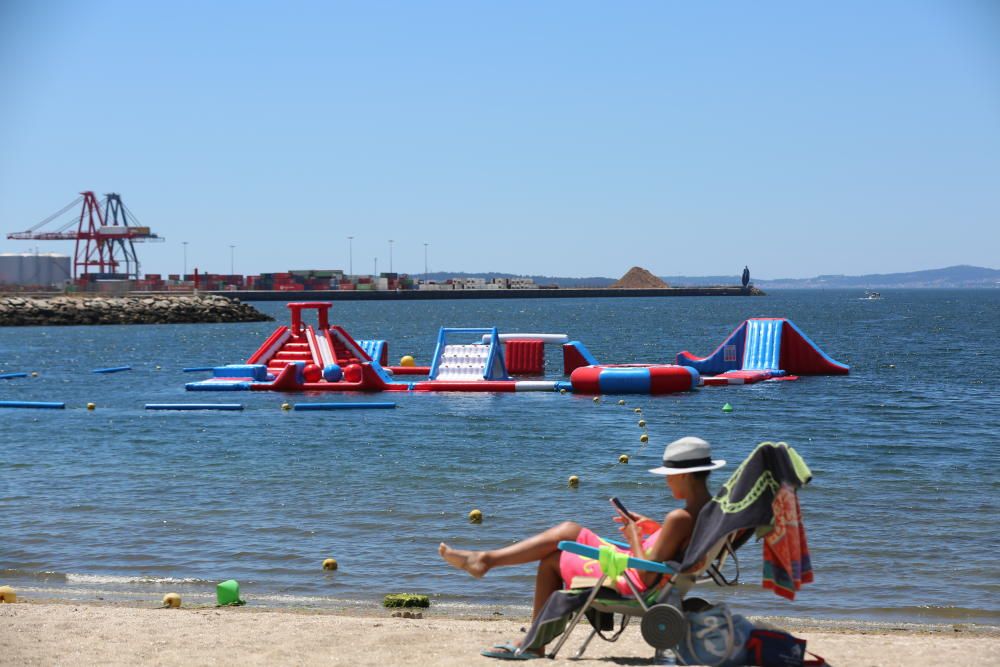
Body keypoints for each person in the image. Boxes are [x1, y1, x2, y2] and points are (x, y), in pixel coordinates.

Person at [438, 436, 726, 657]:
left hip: (634, 580)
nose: (666, 482)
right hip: (651, 573)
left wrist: (634, 536)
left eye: (669, 476)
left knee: (559, 548)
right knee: (568, 533)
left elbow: (648, 575)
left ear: (684, 475)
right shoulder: (709, 510)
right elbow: (672, 548)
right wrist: (651, 528)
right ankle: (487, 564)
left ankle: (489, 568)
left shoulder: (679, 517)